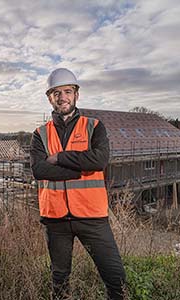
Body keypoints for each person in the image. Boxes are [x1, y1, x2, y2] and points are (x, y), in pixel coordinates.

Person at [30, 68, 126, 299]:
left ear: (76, 95)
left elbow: (100, 160)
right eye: (56, 93)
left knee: (115, 277)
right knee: (60, 279)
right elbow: (39, 169)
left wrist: (60, 158)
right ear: (49, 97)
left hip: (92, 217)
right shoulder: (40, 133)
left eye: (67, 91)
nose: (62, 97)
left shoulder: (94, 126)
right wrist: (80, 170)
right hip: (56, 220)